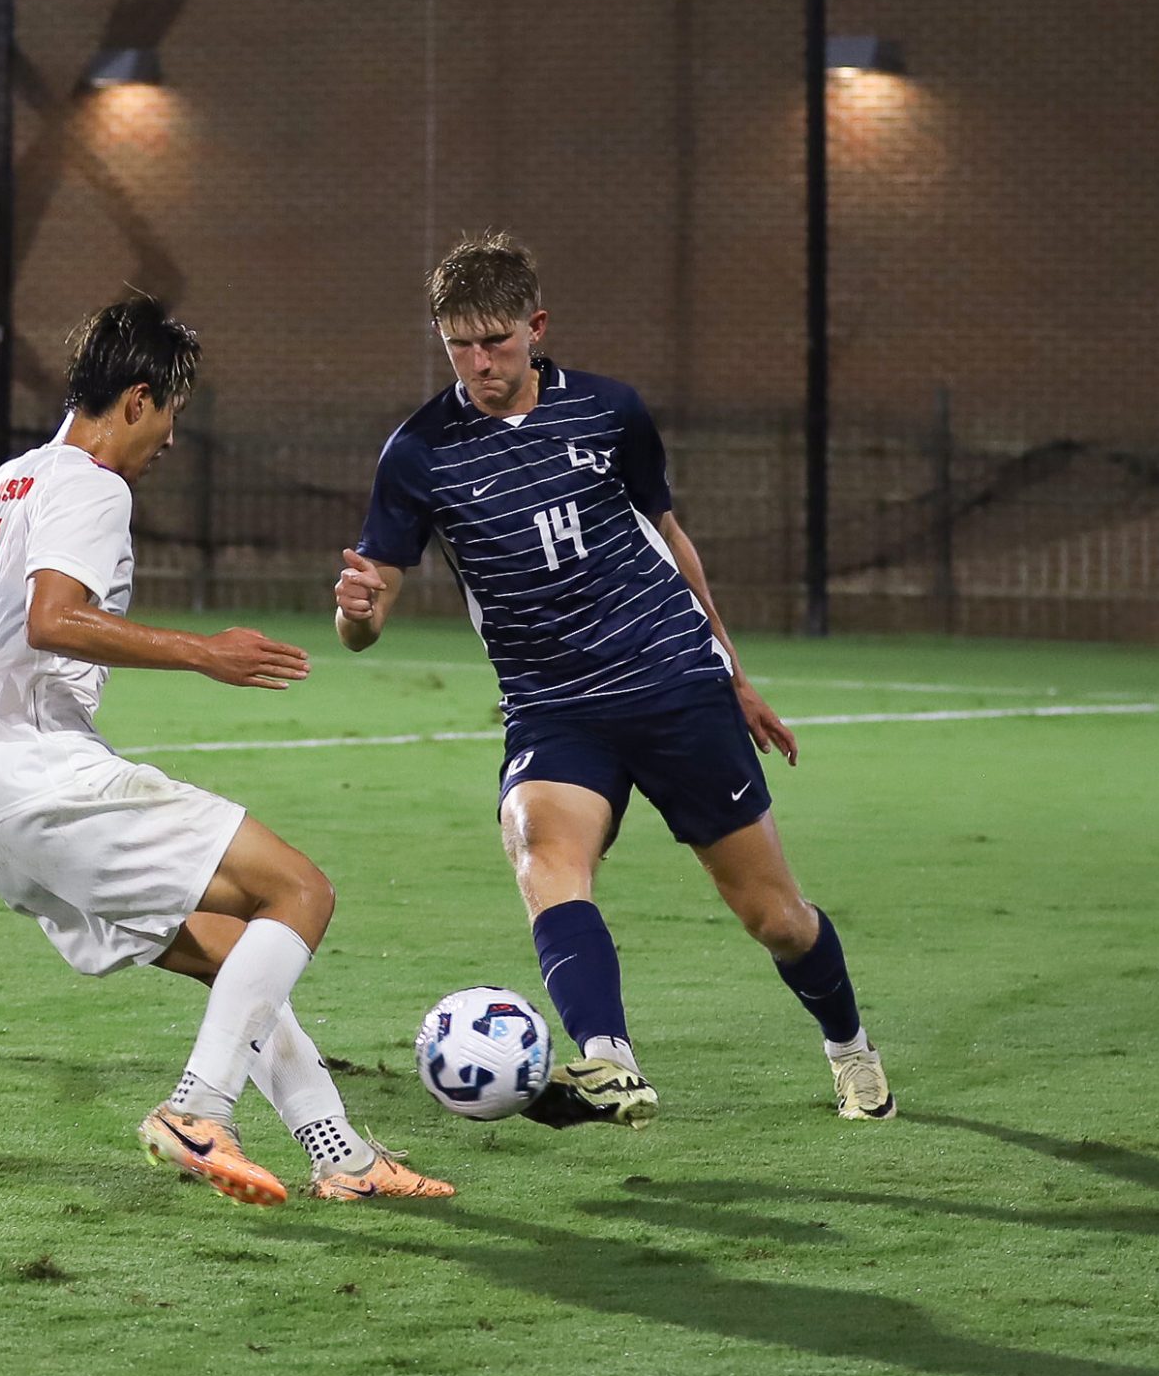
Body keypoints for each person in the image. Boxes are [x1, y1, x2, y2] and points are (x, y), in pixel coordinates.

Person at [0, 297, 453, 1205]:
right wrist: (205, 653)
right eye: (171, 412)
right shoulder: (93, 486)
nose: (172, 436)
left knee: (233, 957)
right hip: (55, 783)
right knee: (299, 891)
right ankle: (197, 1109)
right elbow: (57, 618)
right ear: (136, 400)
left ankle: (343, 1157)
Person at [333, 233, 895, 1126]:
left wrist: (735, 676)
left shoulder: (611, 411)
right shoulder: (419, 452)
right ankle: (608, 1059)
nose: (479, 363)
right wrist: (358, 611)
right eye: (458, 346)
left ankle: (851, 1047)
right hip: (553, 704)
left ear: (537, 326)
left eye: (497, 342)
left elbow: (672, 542)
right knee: (540, 849)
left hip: (671, 677)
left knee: (776, 917)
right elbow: (365, 620)